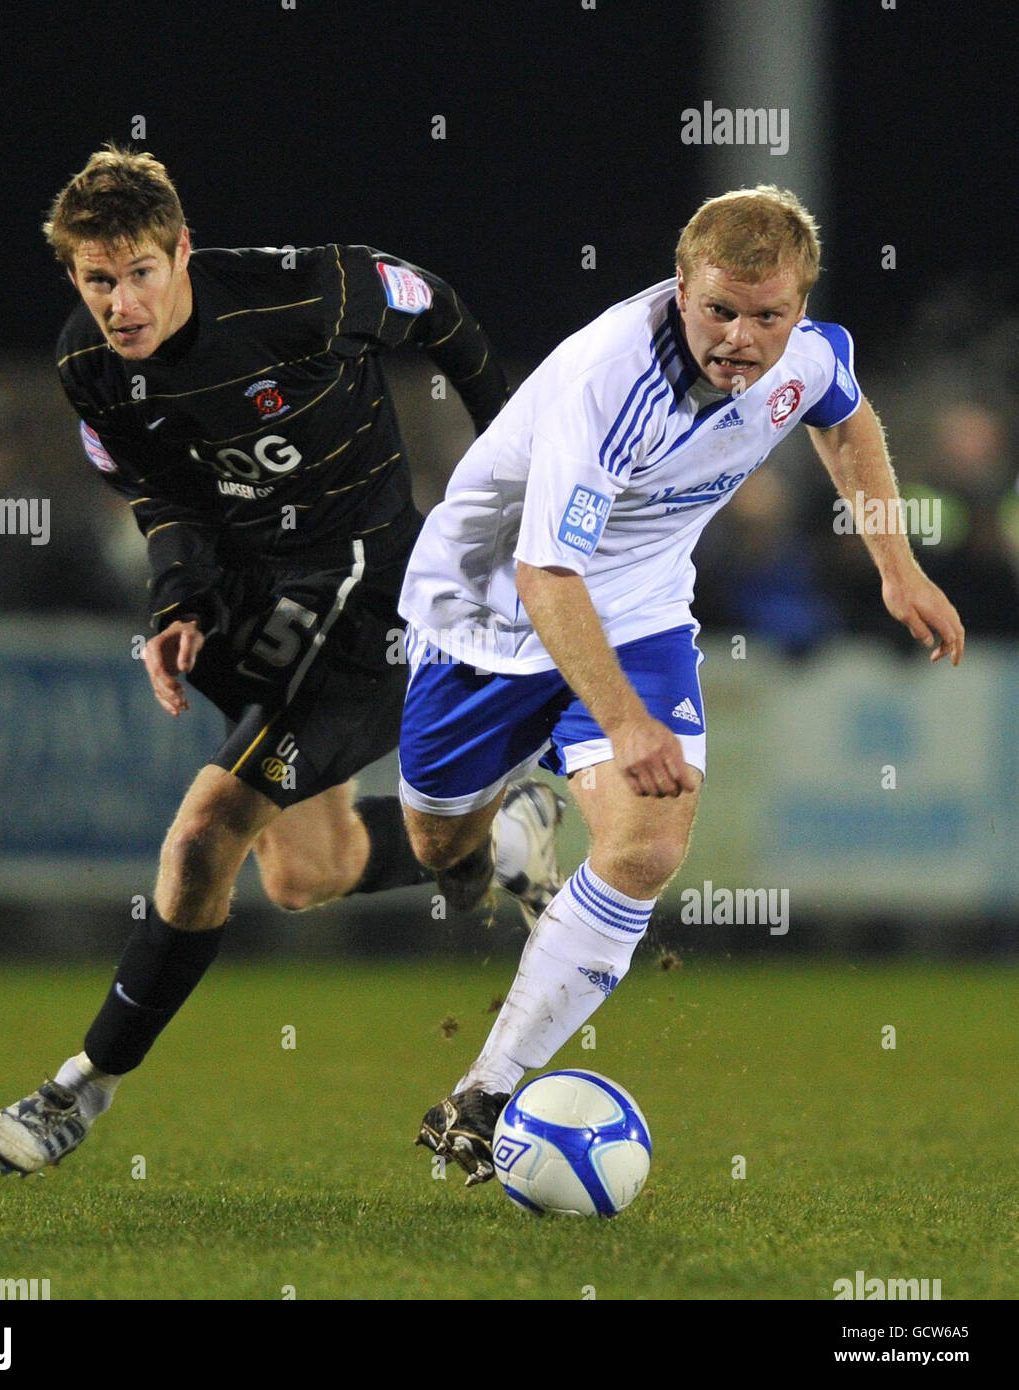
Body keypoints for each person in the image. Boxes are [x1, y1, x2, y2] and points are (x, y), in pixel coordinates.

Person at [0, 145, 561, 1175]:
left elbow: (440, 313)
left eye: (139, 273)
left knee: (207, 830)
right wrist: (180, 601)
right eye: (96, 279)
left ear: (183, 251)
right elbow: (162, 498)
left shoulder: (306, 290)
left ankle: (81, 1087)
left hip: (370, 597)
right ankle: (499, 835)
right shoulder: (87, 366)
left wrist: (513, 471)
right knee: (299, 872)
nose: (120, 302)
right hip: (255, 603)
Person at [399, 185, 965, 1185]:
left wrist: (895, 561)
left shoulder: (804, 353)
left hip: (639, 606)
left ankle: (485, 1091)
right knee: (441, 844)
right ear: (680, 284)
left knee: (651, 841)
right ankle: (517, 822)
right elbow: (546, 574)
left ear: (798, 307)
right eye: (719, 309)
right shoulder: (612, 384)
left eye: (767, 315)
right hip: (490, 607)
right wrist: (621, 721)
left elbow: (845, 416)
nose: (741, 339)